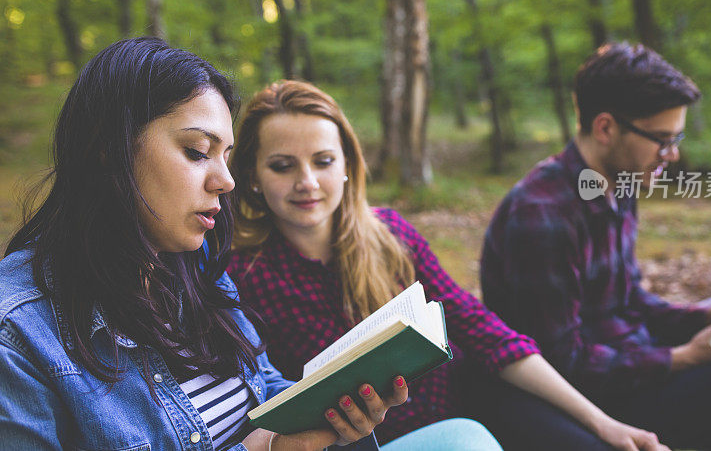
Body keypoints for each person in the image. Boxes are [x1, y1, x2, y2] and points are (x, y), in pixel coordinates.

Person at [0, 37, 496, 451]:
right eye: (197, 152)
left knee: (465, 439)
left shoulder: (193, 269)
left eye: (226, 155)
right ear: (109, 152)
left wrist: (324, 417)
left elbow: (263, 387)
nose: (225, 181)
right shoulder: (21, 333)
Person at [226, 79, 669, 451]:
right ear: (252, 177)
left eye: (323, 161)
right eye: (283, 166)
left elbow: (481, 329)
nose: (307, 182)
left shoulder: (391, 234)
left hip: (465, 405)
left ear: (346, 165)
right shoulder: (239, 273)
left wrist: (601, 422)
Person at [480, 41, 711, 450]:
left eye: (677, 137)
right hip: (603, 403)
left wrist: (704, 316)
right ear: (606, 127)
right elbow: (564, 363)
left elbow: (627, 298)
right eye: (661, 139)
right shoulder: (542, 215)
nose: (673, 152)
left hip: (636, 355)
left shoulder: (620, 180)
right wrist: (684, 357)